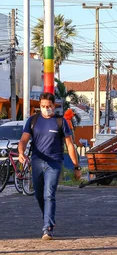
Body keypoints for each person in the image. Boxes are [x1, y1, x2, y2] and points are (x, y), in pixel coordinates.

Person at [17, 92, 81, 240]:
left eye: (49, 106)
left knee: (49, 194)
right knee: (39, 195)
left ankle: (47, 228)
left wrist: (76, 167)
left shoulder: (61, 122)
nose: (46, 109)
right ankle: (48, 218)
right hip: (37, 162)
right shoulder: (33, 120)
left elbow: (70, 145)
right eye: (43, 106)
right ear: (40, 105)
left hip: (54, 163)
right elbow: (23, 140)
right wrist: (21, 152)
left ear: (54, 106)